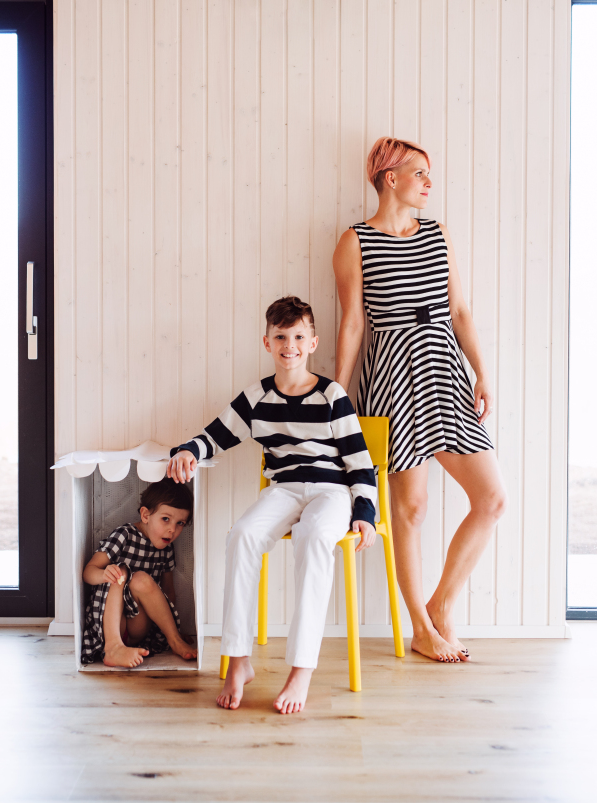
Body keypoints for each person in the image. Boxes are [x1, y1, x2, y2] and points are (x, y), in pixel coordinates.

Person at [333, 137, 507, 664]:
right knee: (410, 507)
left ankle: (440, 607)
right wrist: (338, 396)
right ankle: (419, 628)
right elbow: (353, 322)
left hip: (445, 368)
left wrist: (481, 371)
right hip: (391, 373)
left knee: (492, 500)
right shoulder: (354, 241)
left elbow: (460, 310)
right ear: (391, 178)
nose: (429, 183)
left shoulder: (438, 234)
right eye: (420, 173)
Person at [167, 296, 377, 713]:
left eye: (298, 336)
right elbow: (213, 436)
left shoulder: (332, 395)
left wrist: (365, 514)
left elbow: (359, 462)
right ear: (267, 343)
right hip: (283, 489)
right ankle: (239, 661)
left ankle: (301, 670)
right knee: (242, 535)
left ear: (313, 342)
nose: (290, 345)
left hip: (331, 491)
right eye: (281, 337)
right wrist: (187, 450)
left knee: (315, 536)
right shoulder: (256, 397)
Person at [81, 479, 197, 668]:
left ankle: (174, 641)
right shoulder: (124, 535)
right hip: (109, 623)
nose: (172, 529)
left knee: (142, 580)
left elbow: (167, 591)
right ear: (145, 514)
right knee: (123, 571)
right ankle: (113, 647)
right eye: (166, 519)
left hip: (137, 628)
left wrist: (173, 631)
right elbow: (88, 572)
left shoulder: (166, 549)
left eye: (180, 523)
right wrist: (105, 574)